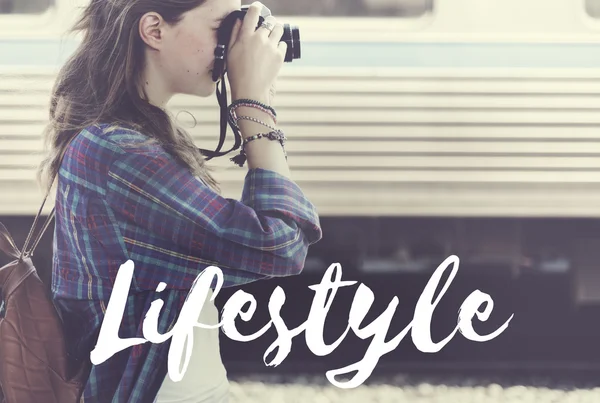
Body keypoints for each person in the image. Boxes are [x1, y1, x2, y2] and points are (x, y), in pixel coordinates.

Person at [37, 0, 322, 401]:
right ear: (154, 30)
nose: (231, 45)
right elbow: (280, 244)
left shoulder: (130, 138)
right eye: (220, 28)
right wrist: (254, 102)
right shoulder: (119, 152)